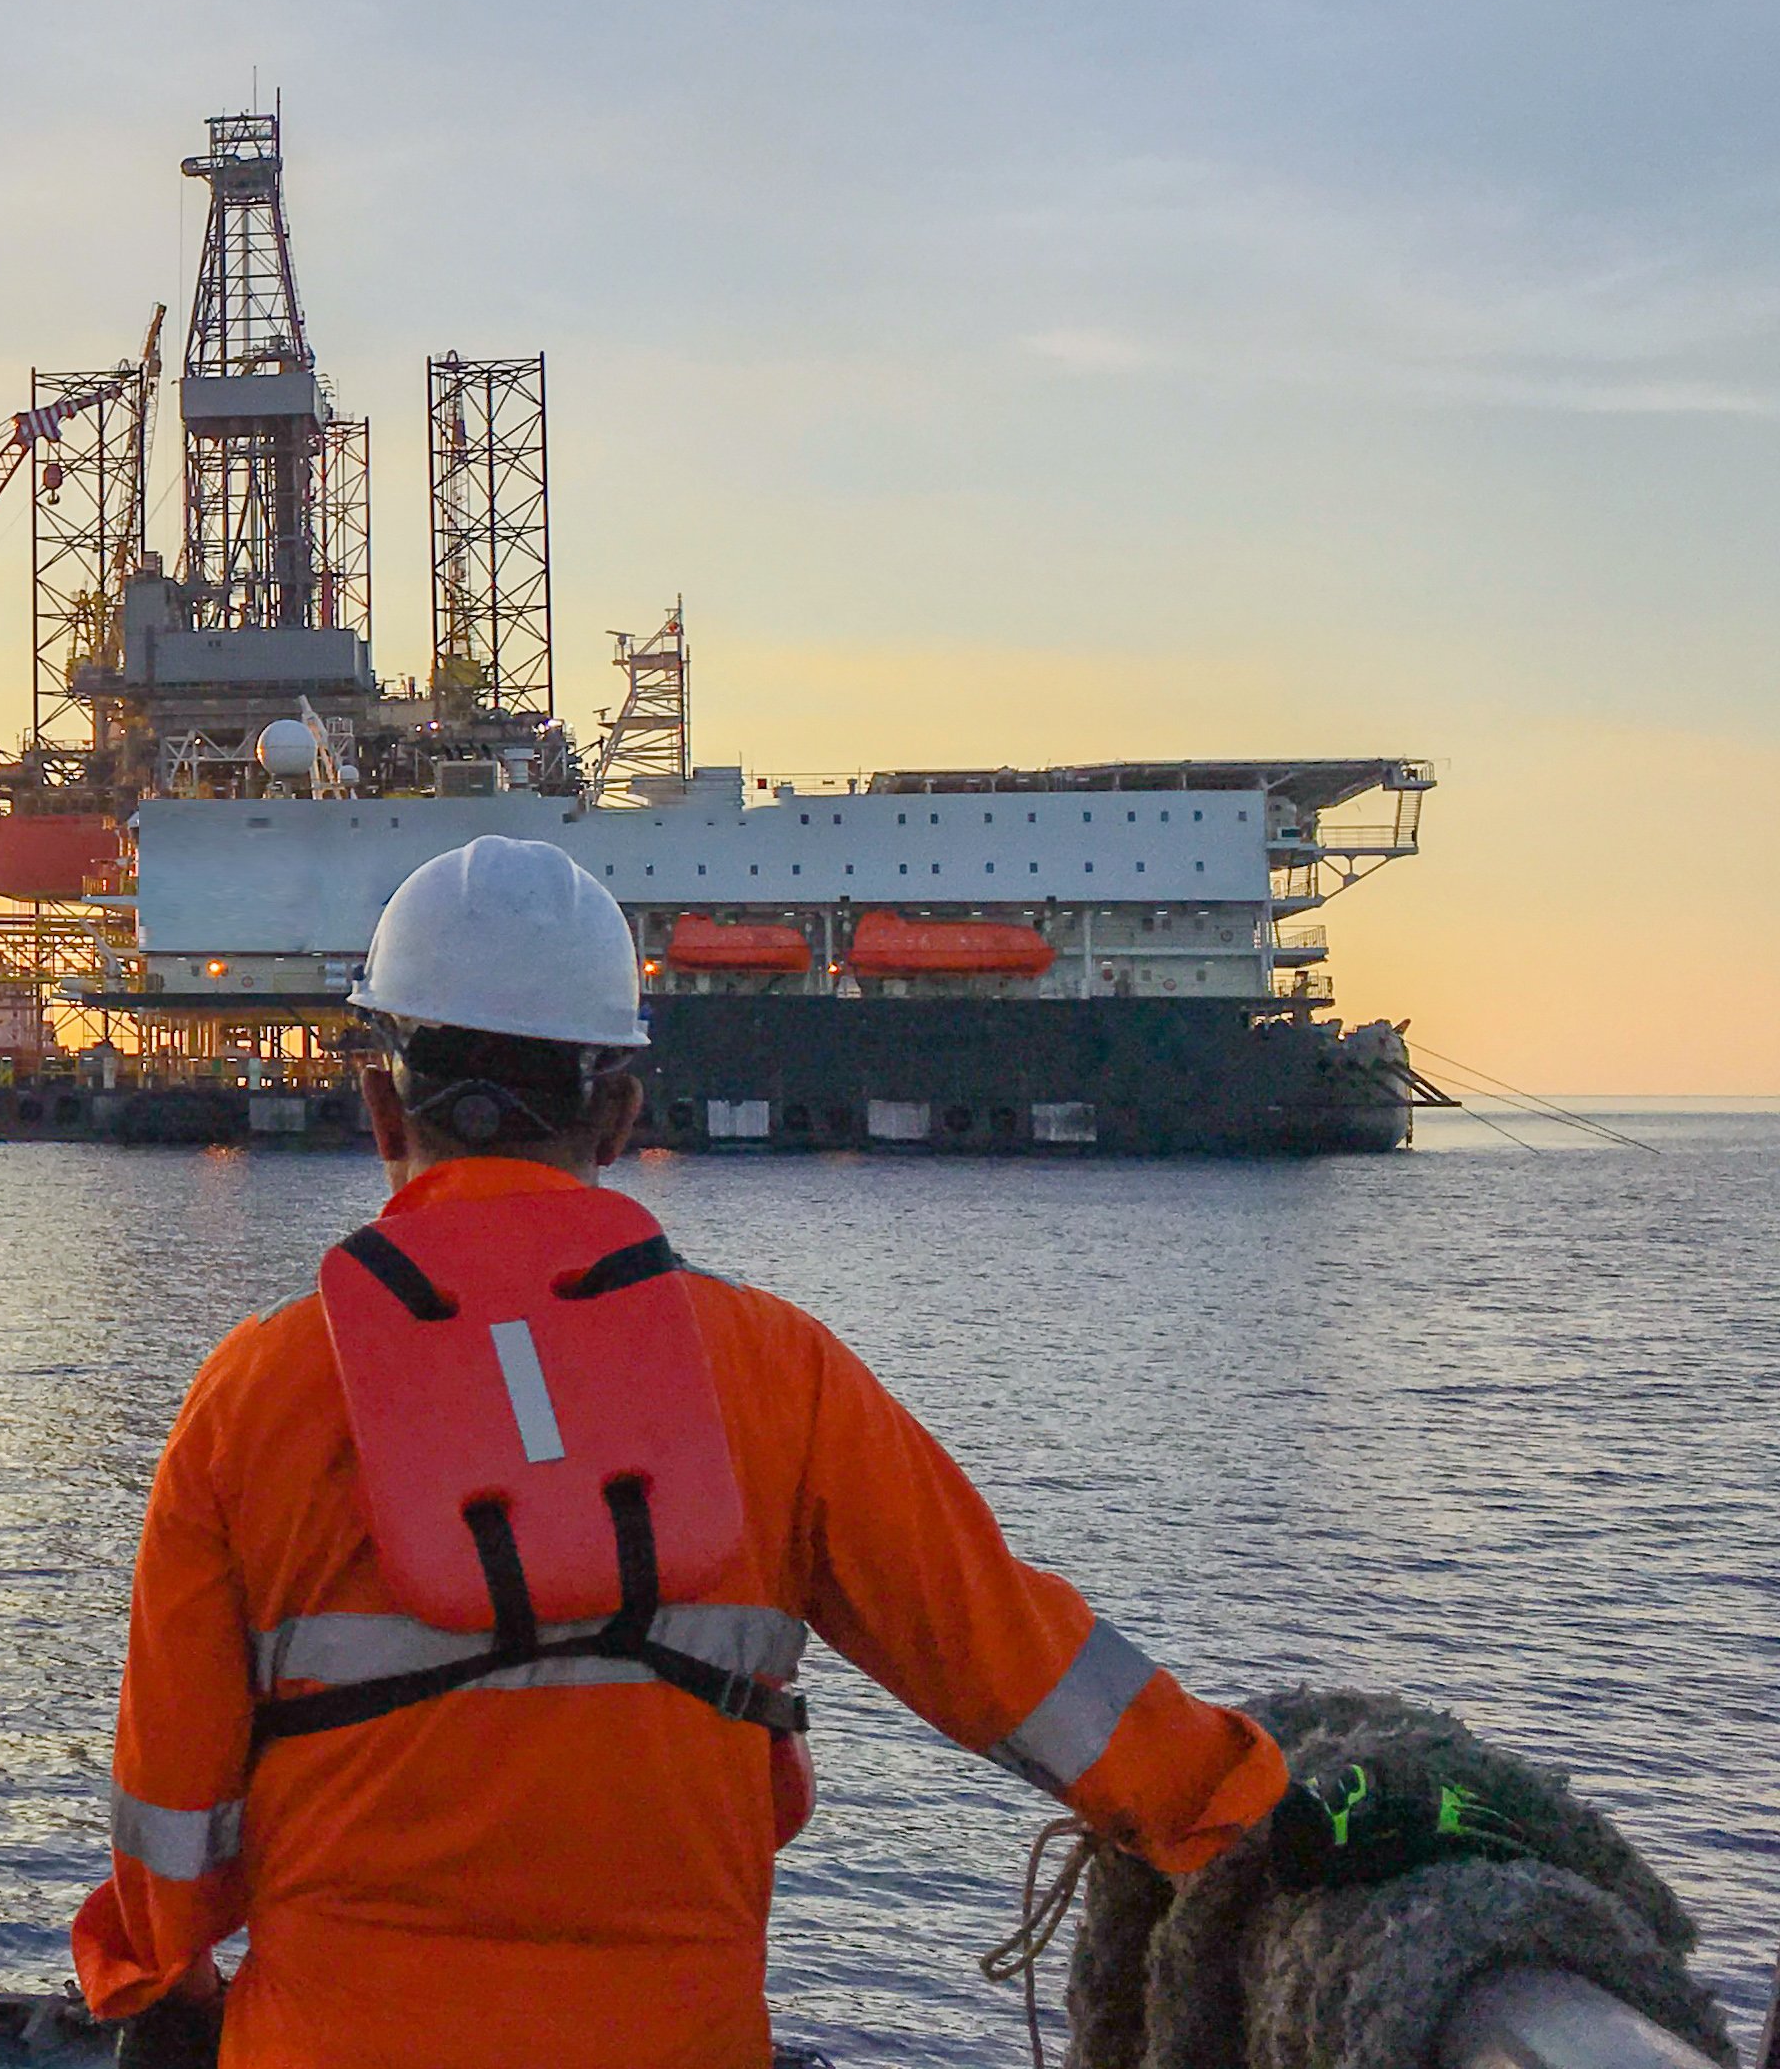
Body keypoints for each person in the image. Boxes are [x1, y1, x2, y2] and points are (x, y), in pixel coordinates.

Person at [73, 835, 1284, 2069]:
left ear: (380, 1103)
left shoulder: (250, 1399)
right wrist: (1248, 1803)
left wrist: (151, 1975)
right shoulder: (779, 1377)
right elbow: (1019, 1666)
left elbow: (172, 1834)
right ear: (618, 1110)